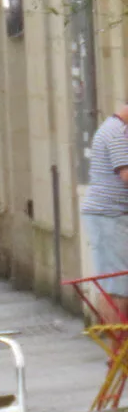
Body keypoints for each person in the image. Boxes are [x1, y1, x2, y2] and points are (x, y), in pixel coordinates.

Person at [80, 104, 128, 319]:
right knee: (117, 284)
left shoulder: (115, 129)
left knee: (118, 281)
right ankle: (119, 348)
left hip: (113, 215)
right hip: (108, 215)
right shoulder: (118, 132)